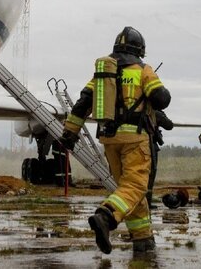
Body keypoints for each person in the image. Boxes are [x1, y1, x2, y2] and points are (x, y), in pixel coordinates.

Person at [60, 26, 171, 256]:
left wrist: (69, 133)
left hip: (109, 139)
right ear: (139, 49)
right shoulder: (143, 70)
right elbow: (162, 99)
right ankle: (106, 216)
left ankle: (143, 239)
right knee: (136, 186)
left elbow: (82, 104)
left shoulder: (102, 75)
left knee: (129, 190)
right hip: (135, 139)